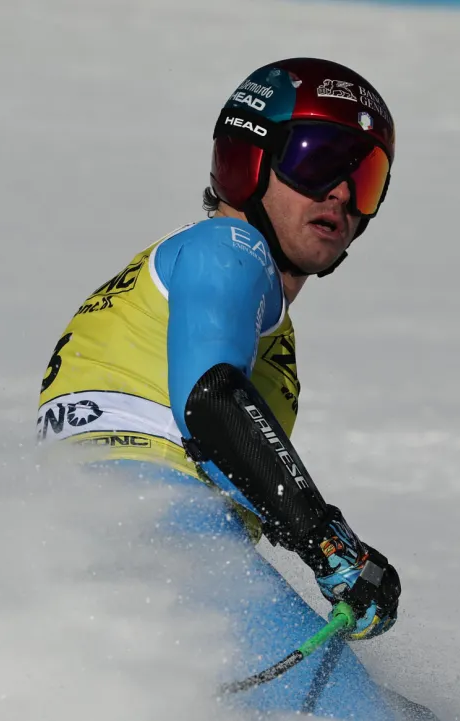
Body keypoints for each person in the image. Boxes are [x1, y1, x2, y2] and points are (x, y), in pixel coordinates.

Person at [37, 57, 403, 717]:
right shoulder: (229, 247)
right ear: (246, 161)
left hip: (105, 539)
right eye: (319, 161)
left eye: (366, 177)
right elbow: (210, 398)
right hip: (160, 536)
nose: (342, 195)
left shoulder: (223, 287)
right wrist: (328, 542)